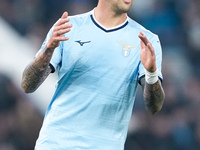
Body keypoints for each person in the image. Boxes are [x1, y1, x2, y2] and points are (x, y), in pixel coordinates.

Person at [21, 0, 165, 149]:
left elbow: (154, 107)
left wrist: (151, 73)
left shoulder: (147, 41)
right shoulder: (69, 26)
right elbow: (27, 85)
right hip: (56, 143)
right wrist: (48, 51)